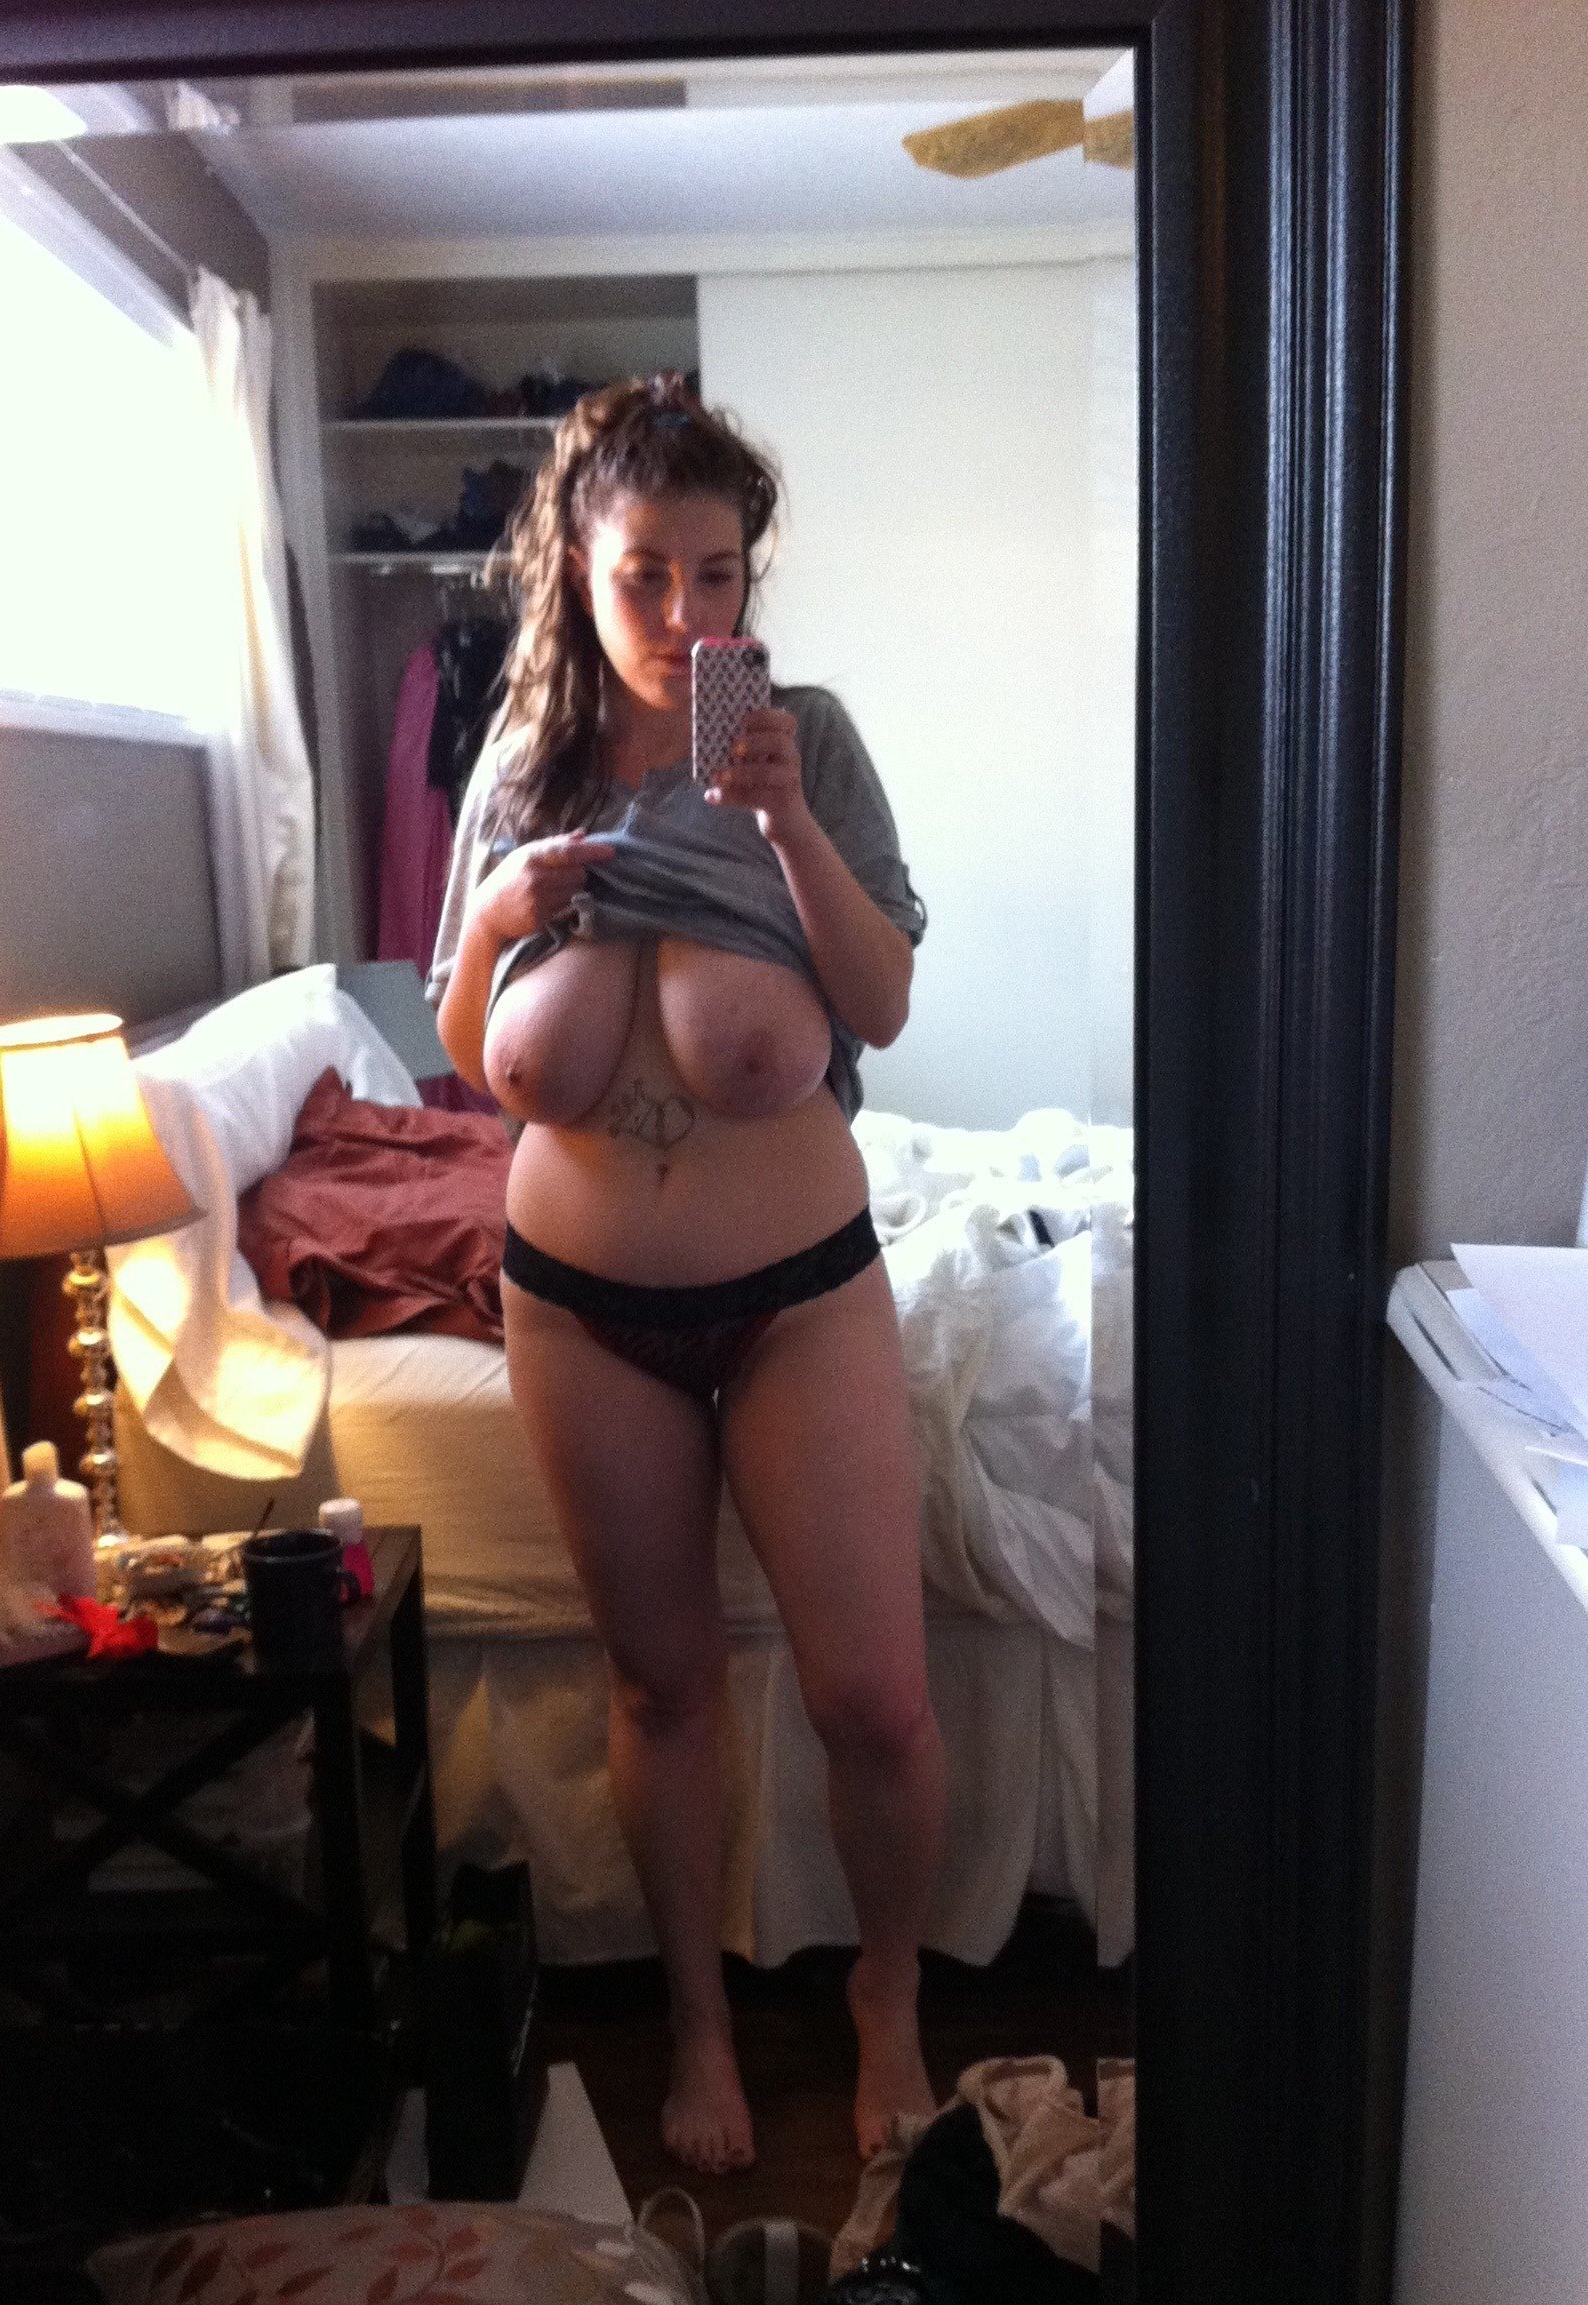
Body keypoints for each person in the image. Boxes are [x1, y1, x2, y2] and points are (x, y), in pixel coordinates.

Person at [428, 373, 945, 2173]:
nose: (679, 613)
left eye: (715, 575)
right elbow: (465, 1046)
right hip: (582, 1311)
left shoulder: (809, 740)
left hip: (796, 1286)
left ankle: (889, 1993)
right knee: (660, 1684)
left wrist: (787, 821)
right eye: (643, 573)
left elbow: (882, 1004)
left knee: (875, 1695)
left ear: (749, 578)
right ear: (576, 567)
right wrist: (500, 918)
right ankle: (699, 2024)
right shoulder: (521, 762)